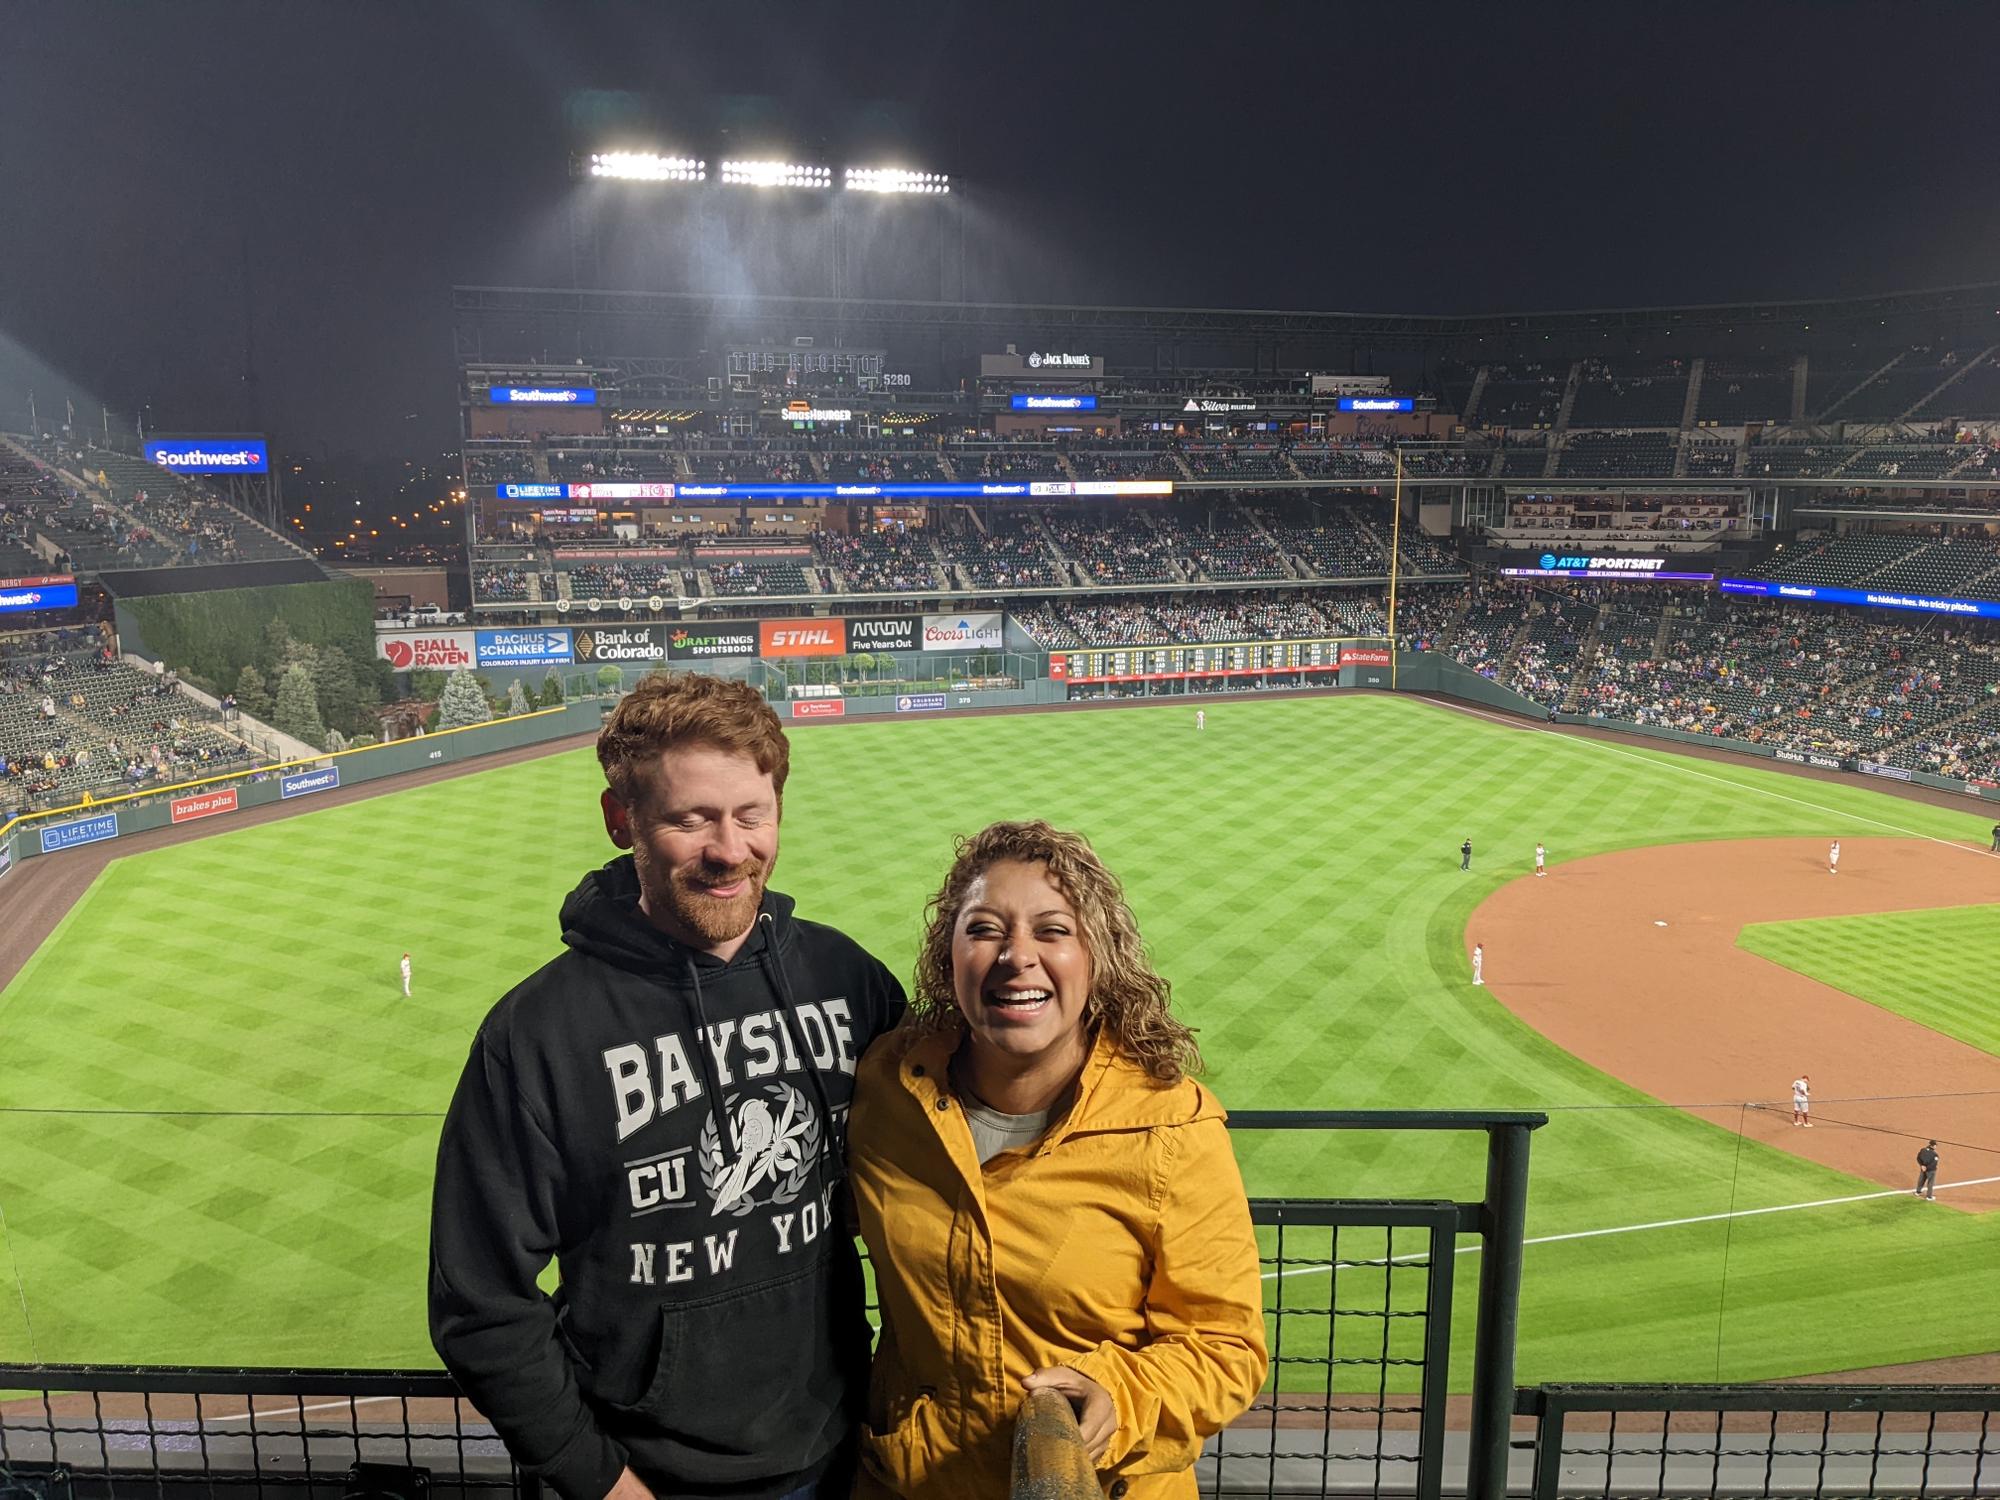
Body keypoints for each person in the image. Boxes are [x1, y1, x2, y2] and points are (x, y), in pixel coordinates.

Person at [429, 672, 907, 1500]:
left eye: (751, 814)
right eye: (691, 819)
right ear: (624, 822)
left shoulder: (849, 980)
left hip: (838, 1453)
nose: (729, 849)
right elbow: (480, 1303)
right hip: (647, 1480)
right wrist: (601, 1482)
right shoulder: (538, 1035)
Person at [849, 821, 1266, 1500]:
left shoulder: (1171, 1125)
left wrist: (1120, 1395)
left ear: (1097, 955)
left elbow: (1226, 1349)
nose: (1018, 956)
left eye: (1053, 930)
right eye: (984, 928)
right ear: (947, 953)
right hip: (915, 1485)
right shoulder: (889, 1088)